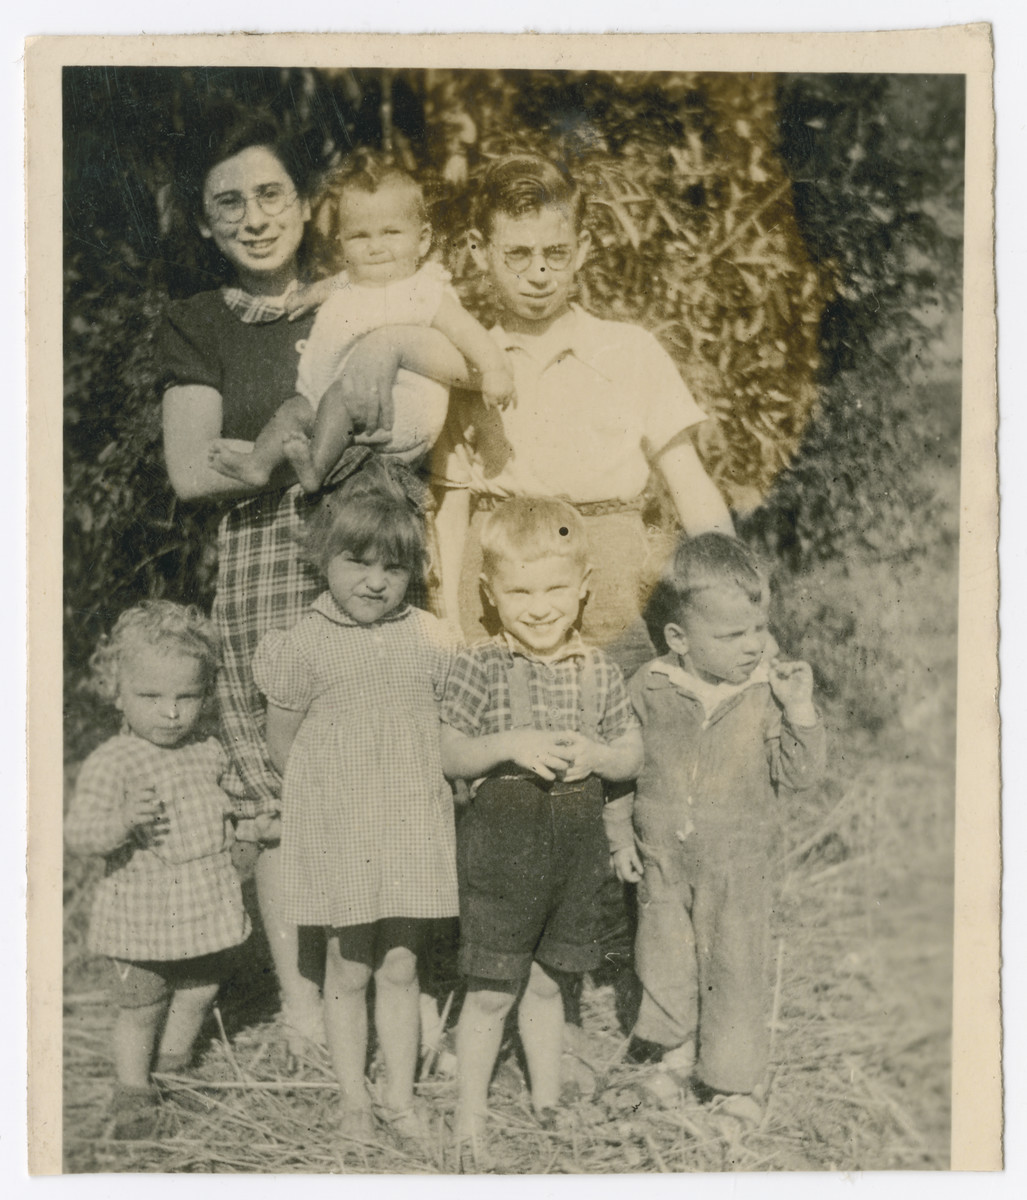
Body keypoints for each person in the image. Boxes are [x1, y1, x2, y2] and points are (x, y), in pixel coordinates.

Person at [159, 101, 458, 1053]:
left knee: (394, 763)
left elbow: (464, 368)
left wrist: (386, 345)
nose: (253, 215)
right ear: (206, 221)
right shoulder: (200, 321)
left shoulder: (369, 287)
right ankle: (302, 1005)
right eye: (228, 202)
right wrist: (302, 447)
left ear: (305, 203)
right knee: (279, 782)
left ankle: (398, 989)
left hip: (376, 550)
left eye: (270, 193)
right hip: (261, 558)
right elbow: (189, 465)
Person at [432, 153, 735, 678]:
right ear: (480, 252)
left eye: (556, 252)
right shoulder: (463, 366)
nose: (539, 274)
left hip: (610, 575)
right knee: (500, 731)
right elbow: (452, 502)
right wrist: (449, 620)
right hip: (502, 577)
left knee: (624, 725)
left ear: (583, 250)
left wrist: (732, 589)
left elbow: (690, 484)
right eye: (518, 255)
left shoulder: (630, 350)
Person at [252, 454, 458, 1159]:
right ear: (323, 560)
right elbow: (285, 744)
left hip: (410, 828)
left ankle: (398, 1099)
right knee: (349, 967)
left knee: (401, 965)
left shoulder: (427, 638)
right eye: (357, 562)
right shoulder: (303, 644)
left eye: (392, 568)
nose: (374, 581)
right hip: (343, 830)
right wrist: (330, 806)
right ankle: (352, 1100)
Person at [439, 498, 643, 1170]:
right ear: (490, 594)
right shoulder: (480, 664)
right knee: (493, 987)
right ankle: (469, 1119)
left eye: (555, 588)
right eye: (519, 591)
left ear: (582, 588)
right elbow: (447, 752)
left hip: (574, 853)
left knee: (553, 982)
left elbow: (630, 751)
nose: (538, 606)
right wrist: (509, 744)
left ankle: (545, 1100)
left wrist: (602, 758)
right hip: (503, 851)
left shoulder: (599, 670)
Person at [603, 533, 826, 1126]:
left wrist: (800, 709)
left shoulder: (763, 696)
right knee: (665, 961)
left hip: (735, 866)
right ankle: (675, 1057)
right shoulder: (651, 685)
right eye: (732, 636)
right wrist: (621, 837)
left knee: (732, 966)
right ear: (679, 639)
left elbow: (800, 775)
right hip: (662, 860)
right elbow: (623, 770)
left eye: (758, 629)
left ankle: (734, 1083)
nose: (754, 647)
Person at [208, 153, 514, 493]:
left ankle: (314, 471)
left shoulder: (423, 289)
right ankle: (258, 464)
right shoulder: (352, 281)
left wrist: (495, 371)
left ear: (423, 239)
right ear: (342, 244)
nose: (375, 247)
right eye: (360, 237)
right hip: (333, 409)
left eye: (391, 232)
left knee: (340, 395)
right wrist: (307, 295)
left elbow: (468, 332)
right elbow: (335, 284)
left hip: (399, 411)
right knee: (294, 410)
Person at [65, 601, 249, 1140]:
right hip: (141, 920)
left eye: (186, 697)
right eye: (151, 696)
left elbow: (224, 808)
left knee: (198, 990)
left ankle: (174, 1066)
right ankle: (133, 1089)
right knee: (142, 1005)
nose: (171, 713)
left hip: (202, 909)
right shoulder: (114, 760)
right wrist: (123, 820)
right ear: (116, 692)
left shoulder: (207, 751)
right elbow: (79, 835)